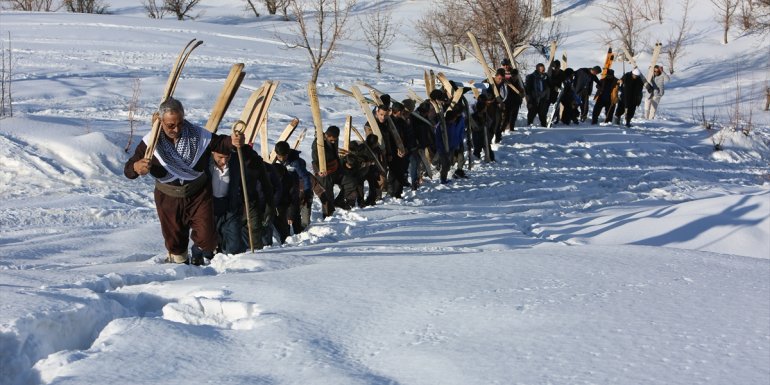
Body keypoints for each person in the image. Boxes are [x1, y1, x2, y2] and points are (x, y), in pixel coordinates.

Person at [124, 97, 243, 265]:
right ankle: (181, 269)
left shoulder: (197, 135)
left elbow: (219, 143)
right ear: (161, 122)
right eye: (170, 125)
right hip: (168, 197)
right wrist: (136, 167)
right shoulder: (150, 143)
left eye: (180, 123)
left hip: (198, 194)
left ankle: (199, 253)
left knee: (207, 237)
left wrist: (232, 141)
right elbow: (128, 170)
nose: (177, 129)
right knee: (175, 243)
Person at [205, 145, 273, 257]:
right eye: (221, 157)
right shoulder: (207, 163)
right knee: (209, 236)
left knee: (248, 231)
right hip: (211, 205)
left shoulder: (254, 164)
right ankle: (209, 258)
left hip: (242, 203)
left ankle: (253, 255)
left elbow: (266, 186)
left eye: (227, 157)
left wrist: (268, 208)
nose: (224, 161)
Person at [274, 141, 312, 234]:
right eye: (279, 157)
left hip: (298, 189)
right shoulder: (276, 161)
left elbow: (305, 177)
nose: (282, 159)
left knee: (295, 212)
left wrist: (307, 192)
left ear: (288, 153)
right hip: (284, 190)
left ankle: (298, 232)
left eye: (284, 156)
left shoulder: (296, 163)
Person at [311, 125, 341, 218]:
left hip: (334, 168)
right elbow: (315, 159)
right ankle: (327, 214)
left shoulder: (334, 140)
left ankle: (334, 207)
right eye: (331, 140)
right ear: (327, 136)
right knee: (326, 192)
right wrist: (319, 170)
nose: (333, 142)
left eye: (335, 140)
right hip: (323, 170)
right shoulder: (318, 144)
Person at [501, 59, 525, 132]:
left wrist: (522, 93)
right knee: (505, 116)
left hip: (515, 97)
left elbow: (520, 84)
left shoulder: (514, 72)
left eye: (507, 64)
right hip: (505, 98)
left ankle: (511, 129)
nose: (506, 66)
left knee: (513, 115)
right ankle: (502, 129)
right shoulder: (501, 72)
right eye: (504, 65)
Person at [471, 93, 495, 162]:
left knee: (488, 150)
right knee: (477, 151)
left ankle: (491, 160)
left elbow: (489, 122)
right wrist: (483, 125)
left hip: (485, 136)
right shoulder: (474, 116)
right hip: (477, 137)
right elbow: (475, 127)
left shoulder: (485, 114)